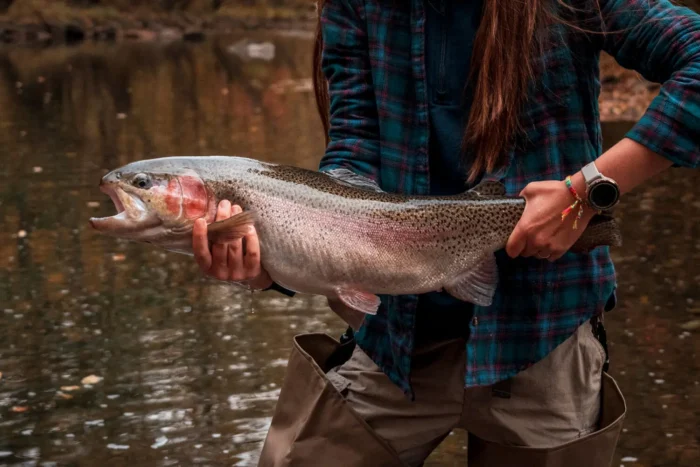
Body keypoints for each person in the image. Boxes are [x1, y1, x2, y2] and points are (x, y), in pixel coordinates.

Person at [192, 0, 700, 465]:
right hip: (396, 339)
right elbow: (351, 161)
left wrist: (585, 193)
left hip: (544, 331)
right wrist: (273, 261)